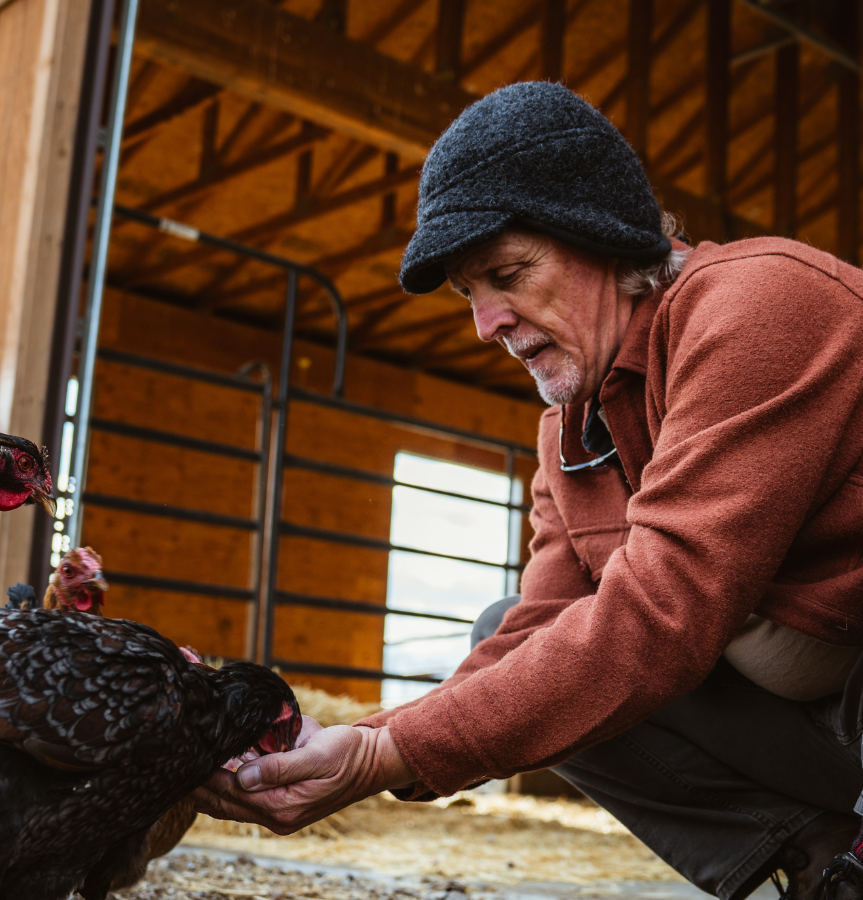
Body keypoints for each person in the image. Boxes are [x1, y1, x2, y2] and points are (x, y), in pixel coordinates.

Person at [196, 82, 863, 900]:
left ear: (606, 236)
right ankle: (825, 859)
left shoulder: (757, 305)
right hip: (819, 732)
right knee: (510, 635)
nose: (487, 323)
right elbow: (535, 630)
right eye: (469, 292)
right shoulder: (568, 433)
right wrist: (365, 740)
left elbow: (663, 613)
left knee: (611, 641)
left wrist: (383, 758)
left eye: (507, 273)